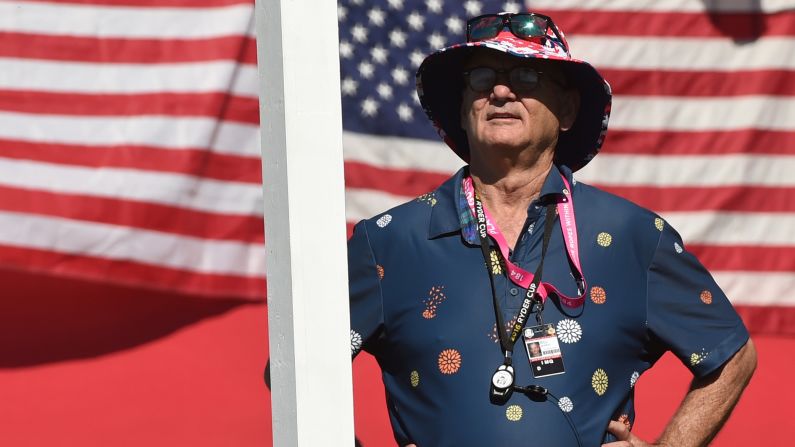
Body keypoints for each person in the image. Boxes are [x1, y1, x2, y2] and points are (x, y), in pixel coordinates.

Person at [347, 12, 756, 447]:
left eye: (526, 74)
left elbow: (732, 354)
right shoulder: (387, 241)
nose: (500, 91)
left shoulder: (632, 236)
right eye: (481, 76)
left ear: (566, 109)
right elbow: (294, 365)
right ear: (463, 110)